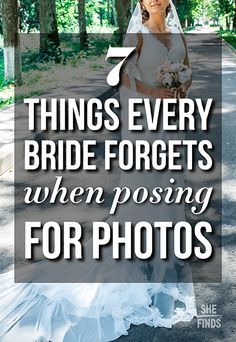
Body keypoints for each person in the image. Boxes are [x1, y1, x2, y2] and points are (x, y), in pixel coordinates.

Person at [0, 1, 196, 341]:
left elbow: (187, 69)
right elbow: (119, 78)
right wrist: (155, 91)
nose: (151, 0)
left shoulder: (176, 32)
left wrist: (180, 88)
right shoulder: (135, 32)